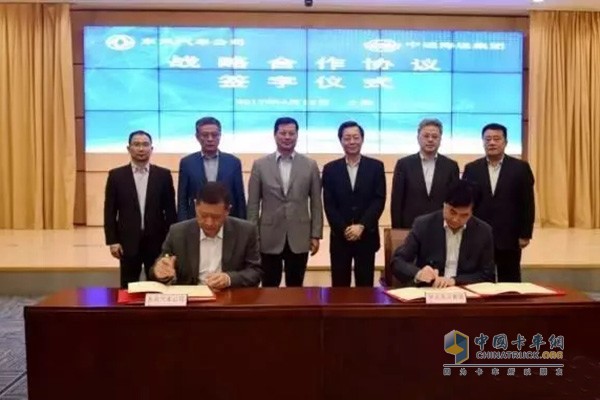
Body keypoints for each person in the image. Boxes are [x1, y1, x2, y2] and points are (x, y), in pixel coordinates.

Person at [247, 116, 323, 287]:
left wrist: (315, 234)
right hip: (268, 235)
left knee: (295, 287)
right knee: (269, 286)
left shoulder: (310, 165)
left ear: (297, 135)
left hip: (299, 234)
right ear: (275, 135)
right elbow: (253, 204)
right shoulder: (260, 165)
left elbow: (316, 203)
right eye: (283, 133)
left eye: (291, 133)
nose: (287, 137)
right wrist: (253, 236)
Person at [151, 182, 262, 290]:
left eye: (216, 217)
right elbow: (161, 264)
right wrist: (160, 271)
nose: (209, 223)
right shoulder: (178, 232)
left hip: (228, 295)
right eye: (203, 215)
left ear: (227, 211)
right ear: (195, 206)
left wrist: (229, 279)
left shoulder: (246, 232)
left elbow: (255, 272)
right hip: (192, 295)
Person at [462, 123, 535, 282]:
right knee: (479, 279)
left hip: (509, 235)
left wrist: (525, 234)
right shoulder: (472, 168)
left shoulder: (521, 168)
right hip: (478, 234)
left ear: (505, 142)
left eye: (496, 139)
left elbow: (527, 203)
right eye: (488, 139)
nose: (492, 143)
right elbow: (467, 203)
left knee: (510, 281)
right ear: (483, 142)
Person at [104, 130, 177, 288]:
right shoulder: (116, 176)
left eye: (145, 144)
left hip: (157, 240)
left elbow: (170, 211)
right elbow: (109, 211)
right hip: (128, 241)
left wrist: (171, 241)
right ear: (129, 148)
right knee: (128, 285)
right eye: (136, 144)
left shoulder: (163, 175)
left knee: (158, 284)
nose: (141, 149)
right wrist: (112, 241)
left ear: (152, 148)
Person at [391, 180, 495, 287]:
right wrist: (419, 273)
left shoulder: (483, 231)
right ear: (444, 204)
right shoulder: (423, 225)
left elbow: (487, 274)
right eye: (452, 212)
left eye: (464, 215)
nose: (456, 219)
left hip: (465, 291)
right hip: (430, 290)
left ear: (472, 212)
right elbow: (398, 262)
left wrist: (454, 281)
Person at [322, 121, 386, 287]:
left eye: (356, 137)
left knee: (365, 286)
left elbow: (379, 200)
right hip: (340, 237)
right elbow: (329, 204)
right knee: (339, 286)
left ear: (362, 139)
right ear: (341, 140)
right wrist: (344, 229)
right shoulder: (330, 169)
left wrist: (362, 226)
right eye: (347, 138)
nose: (352, 141)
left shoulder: (376, 167)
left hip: (366, 236)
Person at [390, 118, 459, 229]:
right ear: (418, 138)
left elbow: (454, 201)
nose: (430, 140)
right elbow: (397, 202)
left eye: (435, 137)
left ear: (440, 139)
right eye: (426, 136)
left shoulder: (451, 166)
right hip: (411, 227)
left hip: (441, 227)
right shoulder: (404, 164)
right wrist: (397, 230)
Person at [177, 116, 246, 221]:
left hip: (227, 221)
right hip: (197, 221)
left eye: (214, 135)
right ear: (197, 137)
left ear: (220, 136)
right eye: (205, 135)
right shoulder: (187, 163)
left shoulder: (233, 162)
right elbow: (182, 199)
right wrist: (183, 224)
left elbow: (240, 199)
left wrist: (241, 224)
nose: (210, 139)